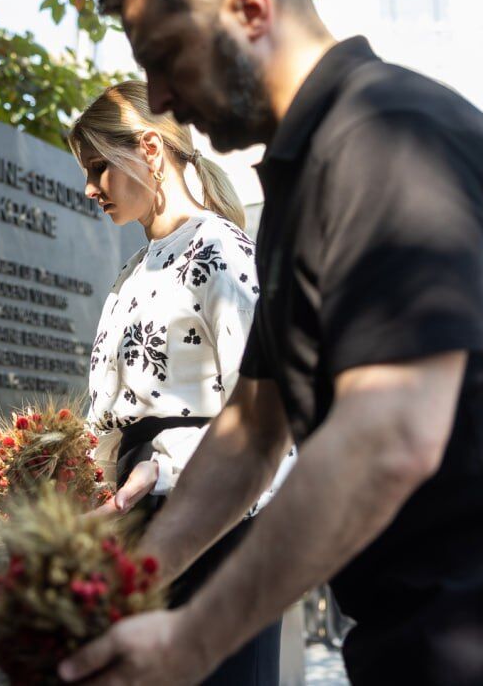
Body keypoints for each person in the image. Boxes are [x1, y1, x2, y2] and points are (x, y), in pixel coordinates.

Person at [59, 0, 483, 686]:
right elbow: (250, 433)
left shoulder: (391, 139)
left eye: (166, 56)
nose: (159, 98)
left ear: (250, 9)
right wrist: (125, 591)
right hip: (408, 650)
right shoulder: (300, 189)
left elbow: (387, 435)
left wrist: (194, 638)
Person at [69, 80, 294, 684]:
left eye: (97, 166)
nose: (90, 188)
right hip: (139, 525)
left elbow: (275, 424)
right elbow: (110, 414)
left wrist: (163, 467)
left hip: (220, 526)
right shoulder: (130, 274)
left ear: (148, 149)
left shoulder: (222, 251)